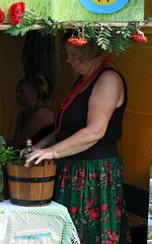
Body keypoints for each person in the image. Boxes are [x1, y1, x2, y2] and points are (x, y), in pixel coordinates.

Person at [25, 33, 131, 243]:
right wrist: (40, 145)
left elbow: (95, 132)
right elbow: (65, 128)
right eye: (68, 54)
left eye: (74, 55)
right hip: (74, 169)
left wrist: (51, 151)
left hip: (94, 173)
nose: (68, 60)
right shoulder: (83, 80)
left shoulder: (108, 79)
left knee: (89, 234)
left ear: (92, 51)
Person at [10, 73, 54, 149]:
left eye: (21, 92)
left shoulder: (42, 113)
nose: (17, 95)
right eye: (17, 91)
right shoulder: (22, 116)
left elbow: (19, 142)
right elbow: (16, 143)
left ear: (34, 93)